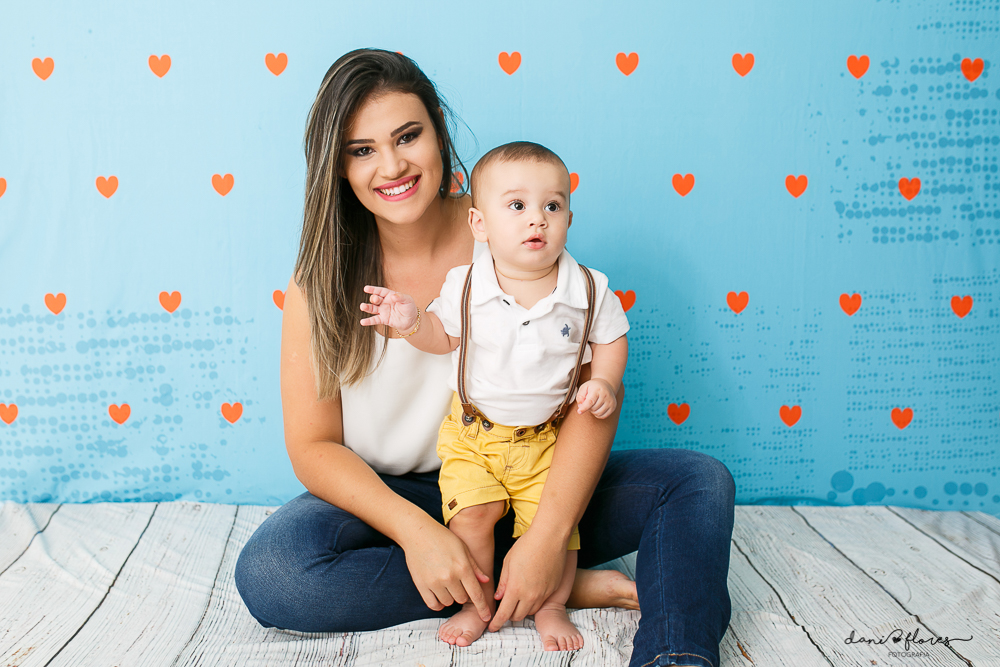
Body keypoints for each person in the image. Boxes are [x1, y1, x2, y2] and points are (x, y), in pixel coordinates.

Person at [234, 48, 736, 667]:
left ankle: (669, 652)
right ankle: (555, 586)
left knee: (698, 482)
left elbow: (593, 389)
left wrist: (548, 537)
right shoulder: (320, 280)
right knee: (275, 573)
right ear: (337, 166)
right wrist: (418, 534)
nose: (391, 165)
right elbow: (313, 446)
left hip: (537, 474)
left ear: (439, 135)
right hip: (399, 498)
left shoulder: (511, 223)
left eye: (407, 136)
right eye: (362, 149)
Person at [357, 141, 630, 649]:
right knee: (471, 516)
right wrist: (411, 322)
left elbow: (611, 339)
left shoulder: (587, 289)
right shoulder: (466, 285)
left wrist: (605, 382)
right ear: (479, 225)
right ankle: (475, 603)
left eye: (553, 206)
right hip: (473, 437)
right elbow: (443, 336)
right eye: (517, 206)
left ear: (569, 219)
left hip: (545, 442)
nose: (537, 219)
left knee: (555, 530)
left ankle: (552, 605)